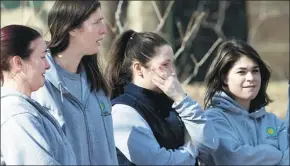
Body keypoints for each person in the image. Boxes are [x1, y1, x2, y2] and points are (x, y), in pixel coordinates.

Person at [105, 30, 219, 165]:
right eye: (165, 65)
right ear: (139, 69)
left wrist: (182, 99)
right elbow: (159, 161)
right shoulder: (122, 111)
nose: (173, 71)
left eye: (173, 63)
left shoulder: (174, 102)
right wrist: (193, 152)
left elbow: (210, 143)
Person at [31, 0, 118, 165]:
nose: (104, 30)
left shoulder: (97, 83)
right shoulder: (40, 83)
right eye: (97, 22)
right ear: (72, 28)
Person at [202, 39, 289, 165]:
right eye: (241, 72)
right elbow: (233, 159)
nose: (251, 78)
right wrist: (275, 153)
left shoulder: (273, 121)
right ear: (224, 77)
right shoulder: (213, 119)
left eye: (255, 71)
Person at [1, 24, 76, 165]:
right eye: (42, 57)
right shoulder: (17, 115)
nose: (47, 65)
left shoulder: (24, 108)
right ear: (18, 63)